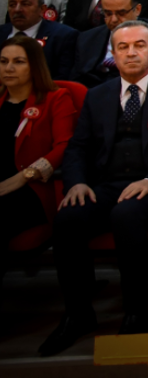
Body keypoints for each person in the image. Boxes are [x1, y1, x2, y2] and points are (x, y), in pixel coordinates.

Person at [38, 21, 148, 356]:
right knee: (67, 219)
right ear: (113, 54)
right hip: (105, 185)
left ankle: (135, 311)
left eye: (139, 45)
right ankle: (78, 314)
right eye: (123, 47)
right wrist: (77, 182)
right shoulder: (97, 95)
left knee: (128, 216)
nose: (131, 52)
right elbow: (78, 146)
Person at [0, 36, 78, 269]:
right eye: (3, 61)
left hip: (30, 189)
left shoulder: (56, 98)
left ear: (34, 65)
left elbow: (65, 145)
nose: (9, 68)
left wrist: (24, 176)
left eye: (19, 62)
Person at [2, 0, 78, 72]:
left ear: (42, 9)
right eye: (12, 5)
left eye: (25, 4)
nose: (17, 9)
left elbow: (63, 78)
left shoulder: (63, 36)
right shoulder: (2, 33)